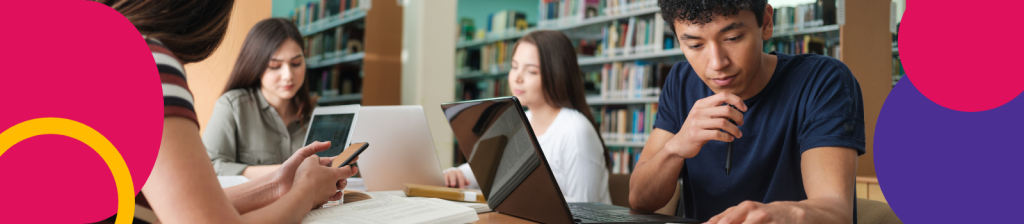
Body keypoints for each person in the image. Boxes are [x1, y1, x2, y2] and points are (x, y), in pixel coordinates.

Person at [95, 1, 357, 223]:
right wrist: (306, 191)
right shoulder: (148, 64)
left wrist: (278, 184)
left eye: (296, 63)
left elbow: (180, 207)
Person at [628, 1, 865, 223]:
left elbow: (836, 210)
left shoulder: (823, 81)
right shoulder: (680, 82)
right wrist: (675, 147)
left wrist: (782, 214)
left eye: (733, 37)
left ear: (766, 22)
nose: (717, 63)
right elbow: (639, 200)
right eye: (695, 45)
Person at [442, 30, 613, 204]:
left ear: (557, 75)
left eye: (531, 71)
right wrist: (456, 174)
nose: (517, 78)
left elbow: (586, 210)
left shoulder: (575, 130)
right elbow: (480, 170)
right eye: (514, 67)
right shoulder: (512, 121)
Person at [204, 18, 314, 179]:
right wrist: (285, 171)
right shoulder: (232, 106)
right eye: (275, 66)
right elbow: (209, 168)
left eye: (296, 63)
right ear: (256, 64)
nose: (288, 76)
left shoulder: (316, 115)